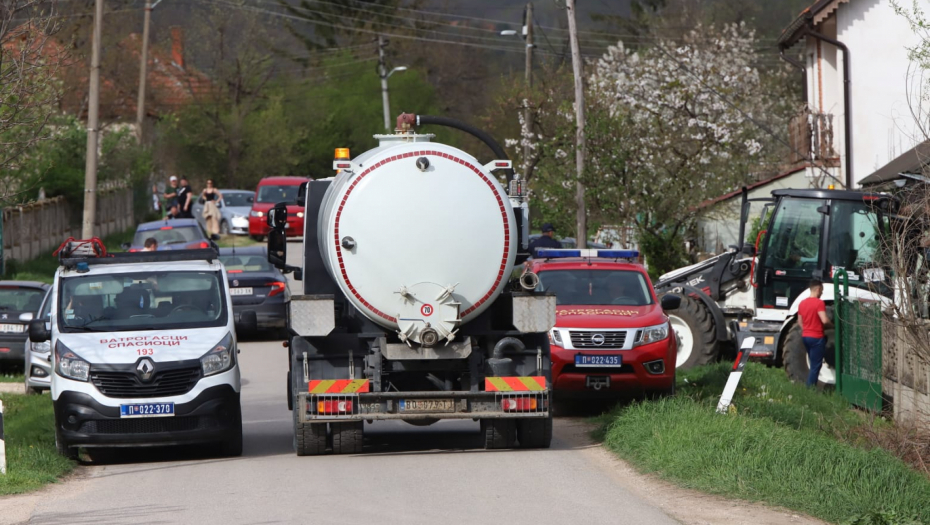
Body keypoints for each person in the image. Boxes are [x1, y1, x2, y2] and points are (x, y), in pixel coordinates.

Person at [798, 279, 832, 387]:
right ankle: (809, 390)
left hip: (806, 337)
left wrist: (807, 329)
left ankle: (809, 386)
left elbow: (799, 322)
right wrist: (832, 325)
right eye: (821, 290)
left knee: (813, 363)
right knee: (815, 366)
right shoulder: (819, 303)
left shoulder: (802, 303)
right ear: (817, 289)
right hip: (817, 338)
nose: (821, 293)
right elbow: (825, 320)